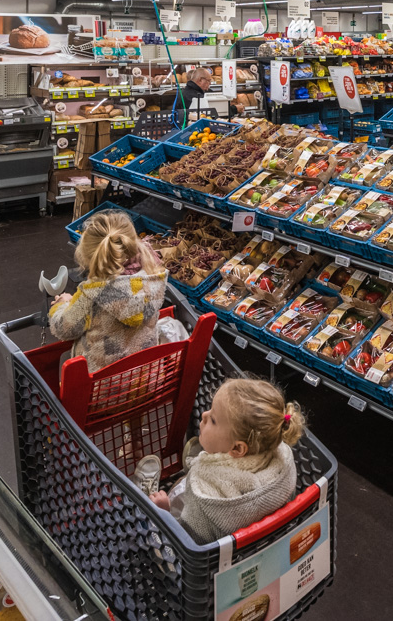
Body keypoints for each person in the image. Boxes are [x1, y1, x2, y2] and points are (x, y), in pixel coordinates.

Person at [150, 378, 305, 542]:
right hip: (254, 544)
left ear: (238, 449)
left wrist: (164, 514)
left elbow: (187, 542)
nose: (204, 415)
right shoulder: (280, 461)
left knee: (154, 506)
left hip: (200, 553)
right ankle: (210, 451)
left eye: (213, 420)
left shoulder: (203, 498)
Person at [48, 211, 169, 371]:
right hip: (144, 381)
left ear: (89, 255)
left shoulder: (93, 292)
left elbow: (63, 328)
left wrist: (61, 305)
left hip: (102, 389)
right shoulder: (153, 278)